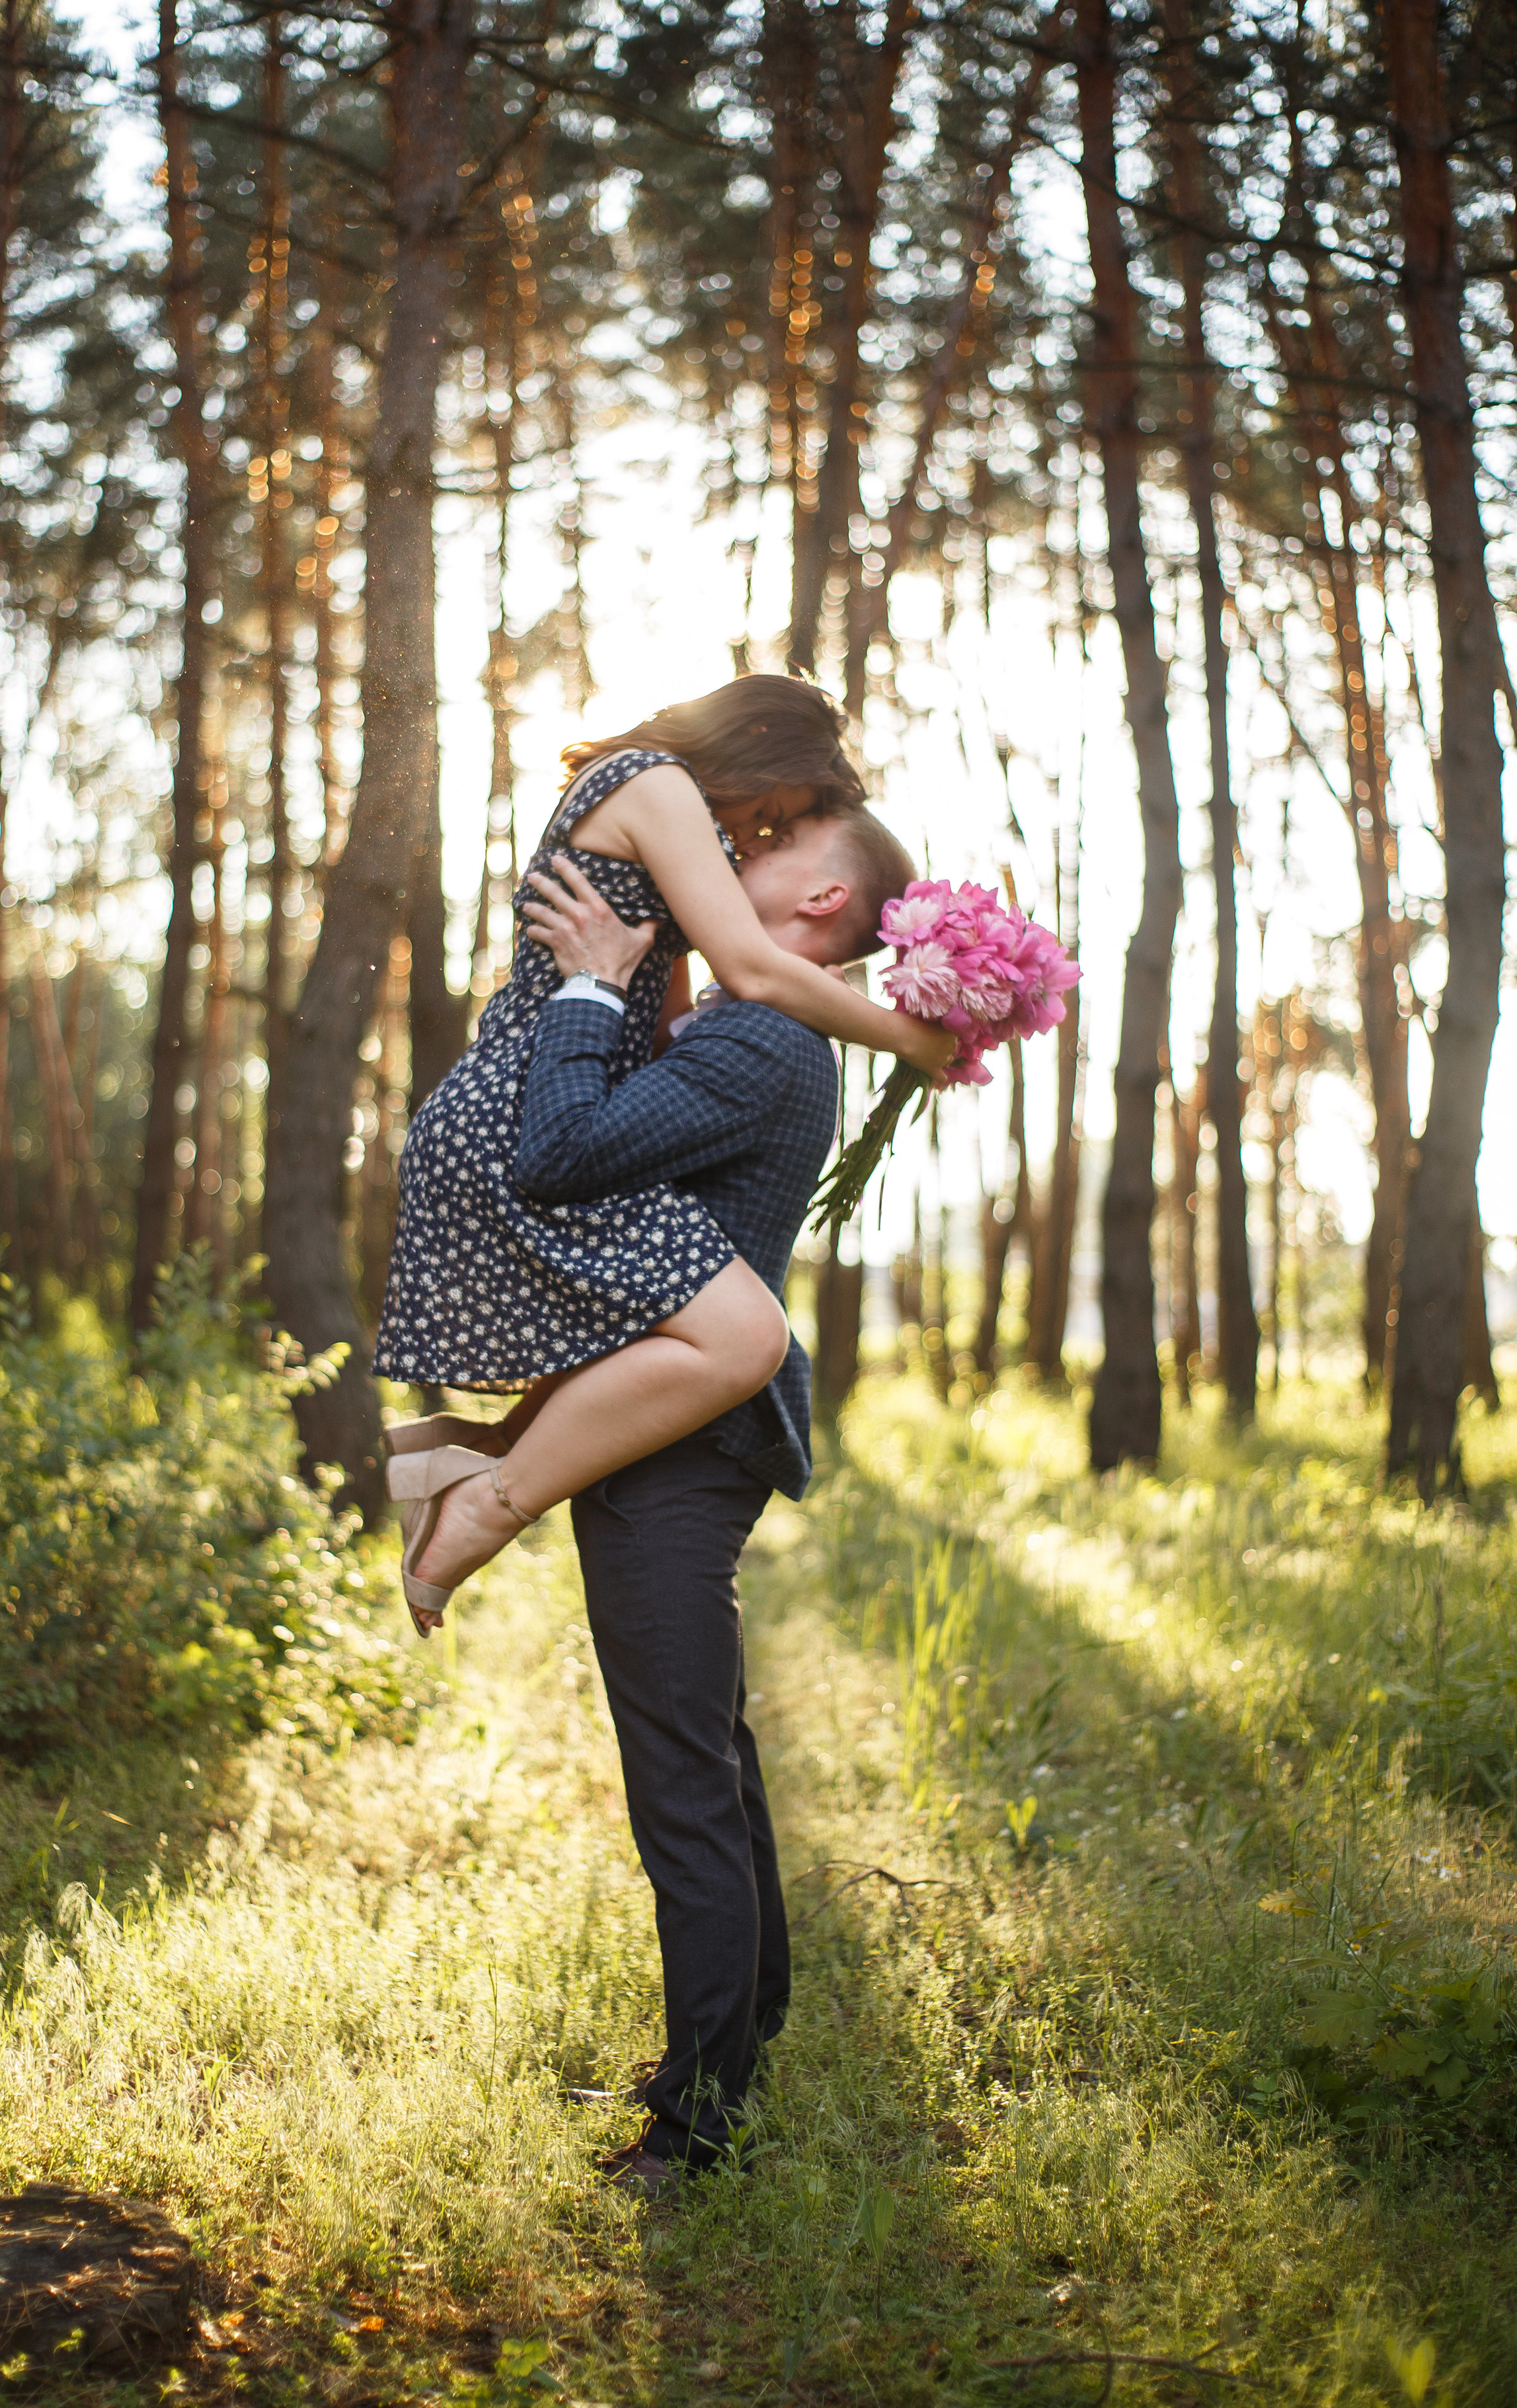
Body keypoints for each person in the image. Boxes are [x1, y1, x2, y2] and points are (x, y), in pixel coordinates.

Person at [510, 802, 916, 2189]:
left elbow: (558, 1157)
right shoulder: (756, 1023)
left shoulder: (759, 1038)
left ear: (820, 901)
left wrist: (584, 985)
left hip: (677, 1450)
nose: (734, 855)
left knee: (680, 1776)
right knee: (712, 1757)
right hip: (675, 1433)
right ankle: (738, 2049)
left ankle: (699, 2130)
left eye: (773, 848)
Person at [373, 675, 958, 1632]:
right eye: (777, 814)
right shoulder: (651, 783)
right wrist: (913, 1038)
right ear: (761, 751)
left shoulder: (671, 825)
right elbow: (754, 969)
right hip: (516, 1111)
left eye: (778, 830)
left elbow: (673, 1016)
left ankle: (472, 1462)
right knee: (745, 1334)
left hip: (554, 1090)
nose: (760, 838)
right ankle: (485, 1501)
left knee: (727, 1332)